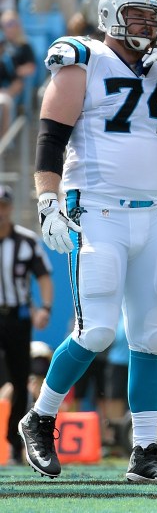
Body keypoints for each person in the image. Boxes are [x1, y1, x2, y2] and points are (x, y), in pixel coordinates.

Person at [19, 0, 157, 481]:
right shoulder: (82, 58)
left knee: (153, 336)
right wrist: (46, 198)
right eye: (137, 15)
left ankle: (145, 452)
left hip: (152, 213)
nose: (146, 26)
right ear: (111, 14)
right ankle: (40, 418)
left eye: (153, 18)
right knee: (98, 330)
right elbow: (49, 138)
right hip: (97, 209)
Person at [0, 186, 53, 464]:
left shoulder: (26, 241)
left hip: (17, 318)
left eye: (3, 205)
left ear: (10, 208)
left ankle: (15, 444)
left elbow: (44, 276)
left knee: (20, 380)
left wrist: (44, 308)